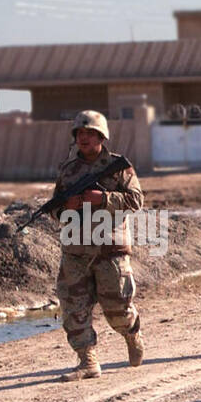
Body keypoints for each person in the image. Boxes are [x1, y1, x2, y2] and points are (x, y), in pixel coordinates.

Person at [52, 110, 145, 381]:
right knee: (73, 307)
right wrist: (64, 208)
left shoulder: (118, 166)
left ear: (101, 136)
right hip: (75, 250)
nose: (84, 138)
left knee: (117, 310)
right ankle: (87, 361)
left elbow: (136, 201)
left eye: (90, 133)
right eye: (80, 133)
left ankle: (132, 334)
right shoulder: (68, 171)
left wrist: (102, 198)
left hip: (110, 250)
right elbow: (54, 208)